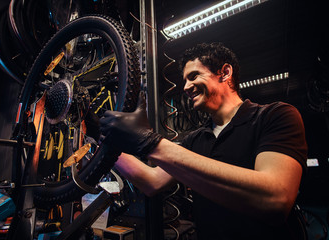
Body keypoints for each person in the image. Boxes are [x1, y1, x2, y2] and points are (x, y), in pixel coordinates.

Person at [100, 42, 307, 239]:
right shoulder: (195, 139)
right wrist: (104, 140)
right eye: (184, 80)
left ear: (225, 73)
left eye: (194, 76)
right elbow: (152, 181)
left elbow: (276, 199)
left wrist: (149, 142)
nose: (187, 86)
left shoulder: (275, 116)